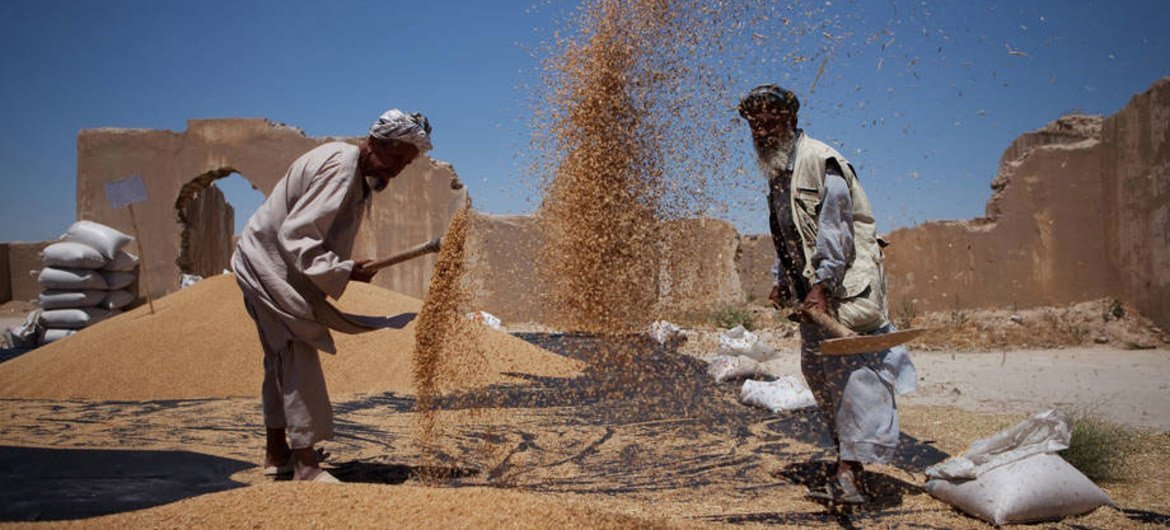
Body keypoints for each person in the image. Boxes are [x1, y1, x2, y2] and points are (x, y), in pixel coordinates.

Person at [232, 109, 433, 482]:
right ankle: (306, 465)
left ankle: (278, 453)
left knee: (279, 359)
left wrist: (344, 269)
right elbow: (297, 234)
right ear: (374, 142)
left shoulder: (354, 171)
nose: (396, 169)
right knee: (296, 353)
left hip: (266, 262)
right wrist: (343, 270)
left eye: (405, 164)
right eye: (394, 158)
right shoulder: (341, 165)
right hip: (268, 265)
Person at [738, 85, 916, 504]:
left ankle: (850, 476)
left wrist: (822, 284)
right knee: (820, 375)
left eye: (770, 123)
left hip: (845, 294)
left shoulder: (821, 162)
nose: (761, 133)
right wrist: (783, 279)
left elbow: (836, 231)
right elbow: (790, 235)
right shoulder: (779, 173)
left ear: (791, 121)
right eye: (755, 126)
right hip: (813, 296)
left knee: (854, 380)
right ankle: (845, 463)